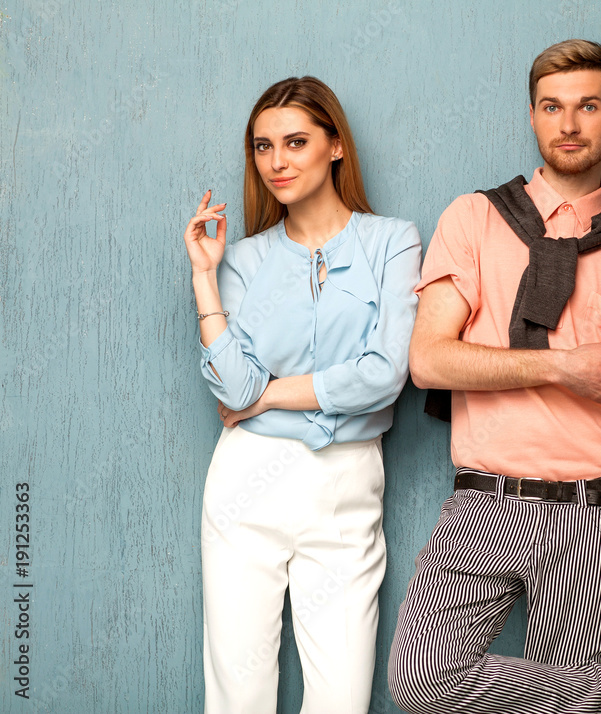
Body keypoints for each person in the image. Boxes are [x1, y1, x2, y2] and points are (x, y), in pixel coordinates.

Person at [387, 40, 601, 714]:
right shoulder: (473, 218)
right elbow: (430, 359)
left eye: (587, 106)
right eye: (552, 107)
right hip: (483, 503)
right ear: (532, 116)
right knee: (421, 679)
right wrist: (566, 367)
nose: (568, 124)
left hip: (597, 508)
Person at [182, 76, 421, 714]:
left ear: (335, 145)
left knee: (342, 698)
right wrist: (206, 278)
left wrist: (265, 396)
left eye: (295, 142)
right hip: (246, 483)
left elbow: (385, 375)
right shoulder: (241, 260)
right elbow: (232, 386)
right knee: (238, 695)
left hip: (346, 488)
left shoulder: (393, 241)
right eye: (263, 147)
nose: (277, 162)